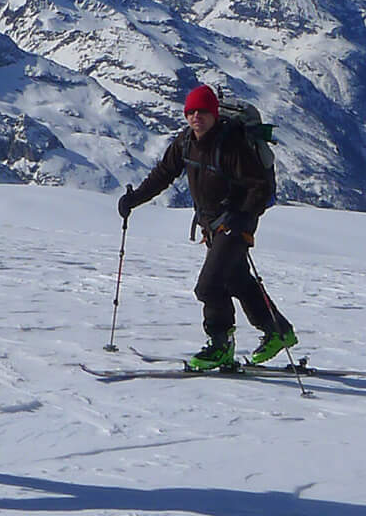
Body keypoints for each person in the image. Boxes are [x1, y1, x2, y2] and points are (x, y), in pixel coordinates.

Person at [116, 84, 297, 371]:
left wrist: (242, 215)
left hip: (235, 222)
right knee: (236, 279)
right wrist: (134, 199)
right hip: (212, 224)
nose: (196, 116)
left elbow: (259, 187)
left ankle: (220, 344)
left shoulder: (231, 144)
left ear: (214, 113)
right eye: (191, 111)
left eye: (202, 111)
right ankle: (279, 330)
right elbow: (164, 174)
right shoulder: (186, 142)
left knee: (209, 285)